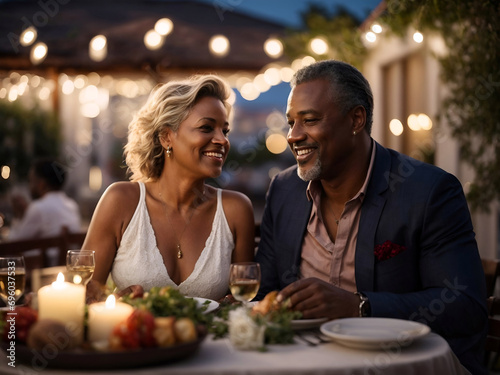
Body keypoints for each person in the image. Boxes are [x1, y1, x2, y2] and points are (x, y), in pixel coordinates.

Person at [255, 60, 487, 375]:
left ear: (356, 119)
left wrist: (359, 306)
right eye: (291, 122)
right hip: (303, 362)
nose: (293, 136)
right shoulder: (284, 190)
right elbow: (265, 292)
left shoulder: (428, 191)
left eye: (309, 120)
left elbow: (465, 306)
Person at [84, 74, 255, 303]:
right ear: (166, 137)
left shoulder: (236, 209)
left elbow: (242, 302)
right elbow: (84, 295)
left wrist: (232, 305)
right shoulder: (121, 201)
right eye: (206, 128)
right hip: (134, 337)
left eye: (225, 131)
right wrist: (113, 304)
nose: (222, 140)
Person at [8, 158, 82, 243]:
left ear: (42, 184)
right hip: (66, 256)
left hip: (43, 257)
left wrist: (18, 216)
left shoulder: (38, 207)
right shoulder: (72, 205)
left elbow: (13, 244)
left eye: (31, 181)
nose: (30, 187)